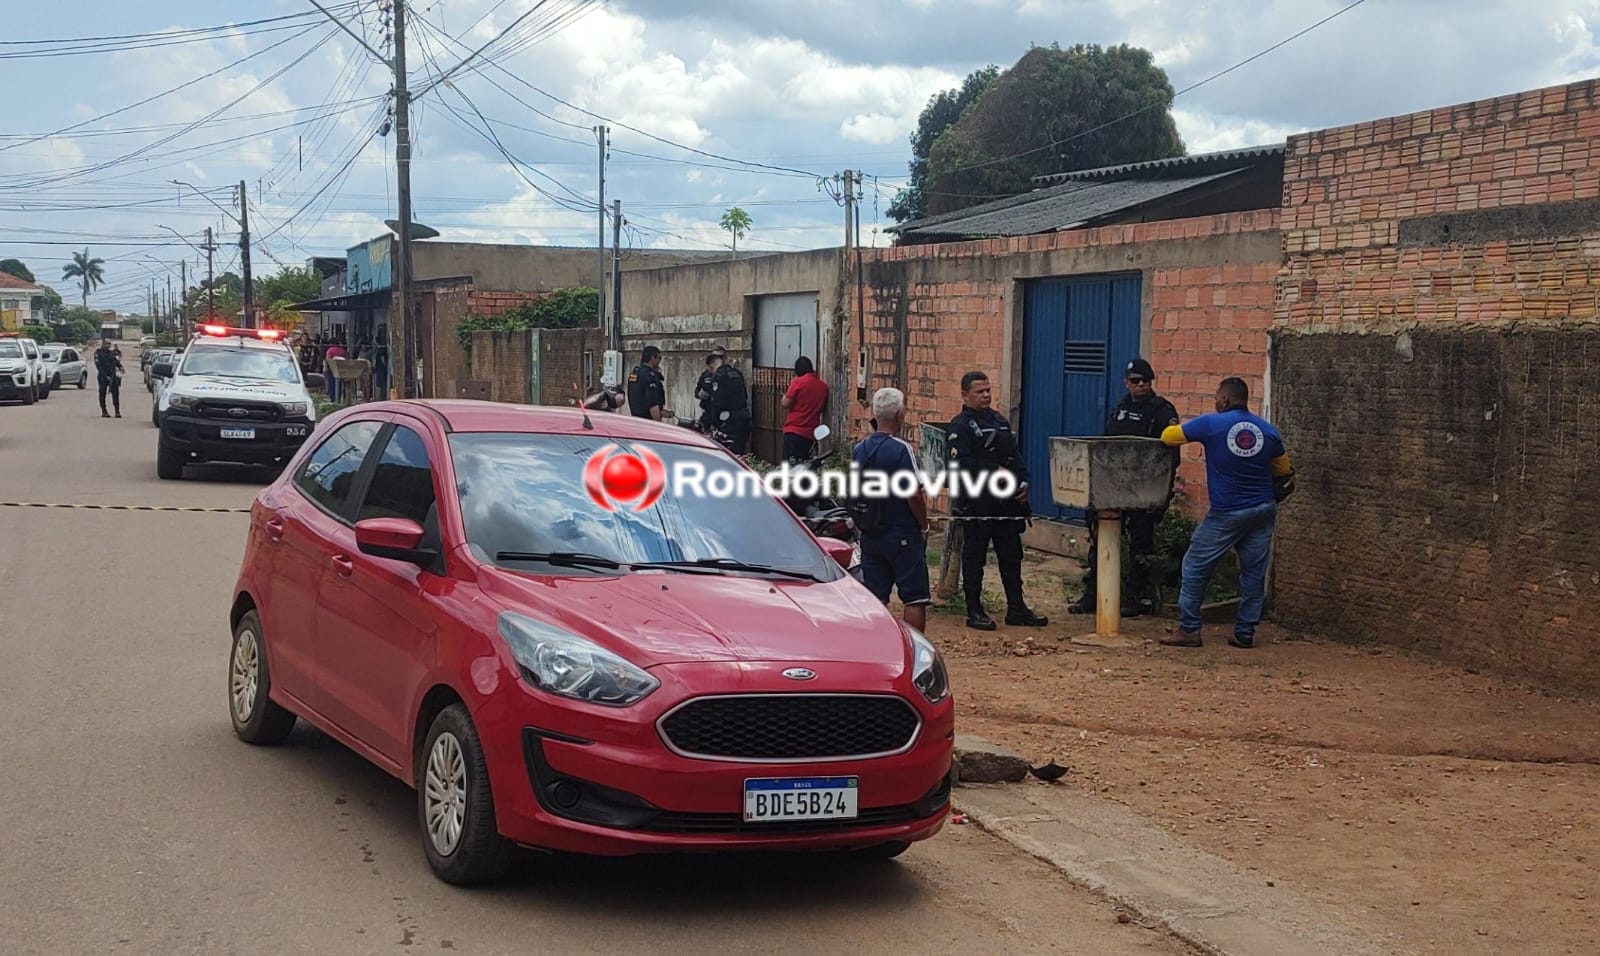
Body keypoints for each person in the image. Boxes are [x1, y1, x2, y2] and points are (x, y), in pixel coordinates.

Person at [1158, 376, 1295, 649]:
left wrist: (1174, 426)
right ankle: (1245, 632)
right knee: (1254, 572)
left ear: (1225, 399)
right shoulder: (1268, 431)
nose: (1215, 402)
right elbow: (1282, 469)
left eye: (1216, 398)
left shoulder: (1210, 424)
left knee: (1195, 564)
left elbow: (1168, 437)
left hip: (1227, 512)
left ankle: (1189, 629)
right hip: (1262, 509)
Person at [1069, 357, 1182, 618]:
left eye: (1145, 381)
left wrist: (1162, 494)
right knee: (1102, 541)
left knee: (1140, 544)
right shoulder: (1120, 407)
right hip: (1114, 487)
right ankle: (1093, 594)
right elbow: (1107, 447)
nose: (1140, 385)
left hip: (1144, 488)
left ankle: (1134, 597)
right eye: (1135, 381)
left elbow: (1171, 457)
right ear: (1126, 383)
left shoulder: (1162, 410)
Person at [947, 370, 1048, 630]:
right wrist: (994, 472)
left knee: (1011, 556)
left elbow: (1014, 456)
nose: (985, 395)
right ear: (965, 395)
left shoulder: (999, 421)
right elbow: (960, 466)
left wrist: (1023, 482)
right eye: (979, 392)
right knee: (975, 557)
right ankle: (974, 610)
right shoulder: (960, 426)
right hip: (978, 502)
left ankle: (1017, 608)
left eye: (988, 390)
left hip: (1006, 504)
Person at [853, 387, 931, 630]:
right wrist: (924, 525)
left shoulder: (860, 450)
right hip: (902, 531)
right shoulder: (901, 449)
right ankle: (916, 650)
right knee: (914, 596)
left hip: (871, 532)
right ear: (899, 414)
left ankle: (877, 646)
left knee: (876, 597)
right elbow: (913, 494)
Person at [780, 355, 829, 462]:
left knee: (790, 470)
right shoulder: (823, 387)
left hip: (793, 433)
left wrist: (784, 396)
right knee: (806, 468)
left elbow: (785, 403)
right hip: (811, 436)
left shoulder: (798, 382)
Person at [707, 350, 752, 454]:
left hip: (729, 422)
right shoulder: (736, 373)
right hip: (743, 417)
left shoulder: (718, 377)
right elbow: (744, 395)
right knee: (741, 451)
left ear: (710, 367)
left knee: (729, 452)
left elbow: (717, 402)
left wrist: (714, 422)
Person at [627, 345, 666, 420]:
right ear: (652, 358)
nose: (659, 361)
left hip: (636, 420)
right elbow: (653, 404)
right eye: (659, 358)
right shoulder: (650, 377)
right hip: (648, 421)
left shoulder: (634, 375)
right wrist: (658, 424)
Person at [695, 345, 726, 429]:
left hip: (722, 414)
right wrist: (700, 394)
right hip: (708, 411)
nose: (718, 359)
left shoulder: (728, 374)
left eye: (721, 357)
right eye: (715, 357)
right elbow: (697, 390)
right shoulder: (706, 374)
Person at [94, 341, 123, 418]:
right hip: (102, 376)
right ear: (103, 344)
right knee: (102, 393)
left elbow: (116, 361)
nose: (108, 345)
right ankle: (104, 411)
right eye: (107, 344)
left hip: (112, 375)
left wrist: (121, 367)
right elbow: (98, 366)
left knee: (116, 394)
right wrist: (105, 376)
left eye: (109, 344)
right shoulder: (98, 353)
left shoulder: (111, 353)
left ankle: (117, 411)